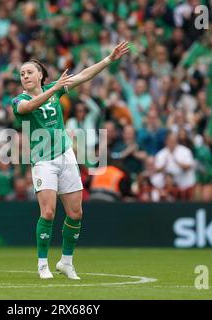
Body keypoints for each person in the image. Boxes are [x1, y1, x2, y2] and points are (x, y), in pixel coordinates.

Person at [11, 41, 130, 279]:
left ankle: (66, 262)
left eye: (29, 72)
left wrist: (108, 59)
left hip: (66, 156)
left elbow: (84, 75)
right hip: (43, 160)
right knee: (48, 213)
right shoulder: (18, 101)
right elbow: (31, 105)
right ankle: (42, 264)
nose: (25, 76)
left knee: (75, 213)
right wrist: (56, 89)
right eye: (22, 73)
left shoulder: (56, 87)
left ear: (41, 75)